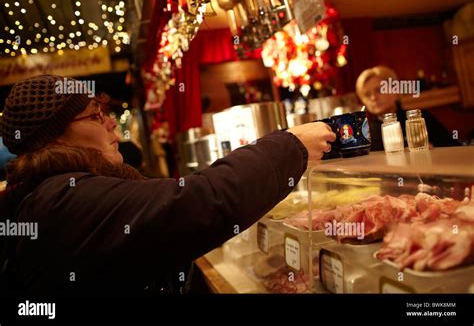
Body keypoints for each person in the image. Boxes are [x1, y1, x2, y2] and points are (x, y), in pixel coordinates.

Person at [0, 74, 335, 297]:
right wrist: (291, 145)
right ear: (55, 137)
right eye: (94, 115)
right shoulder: (63, 200)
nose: (110, 122)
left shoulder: (52, 192)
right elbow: (195, 203)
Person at [355, 66, 457, 151]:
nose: (373, 98)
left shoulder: (420, 118)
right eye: (367, 95)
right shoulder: (366, 132)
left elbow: (453, 147)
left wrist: (433, 150)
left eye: (379, 90)